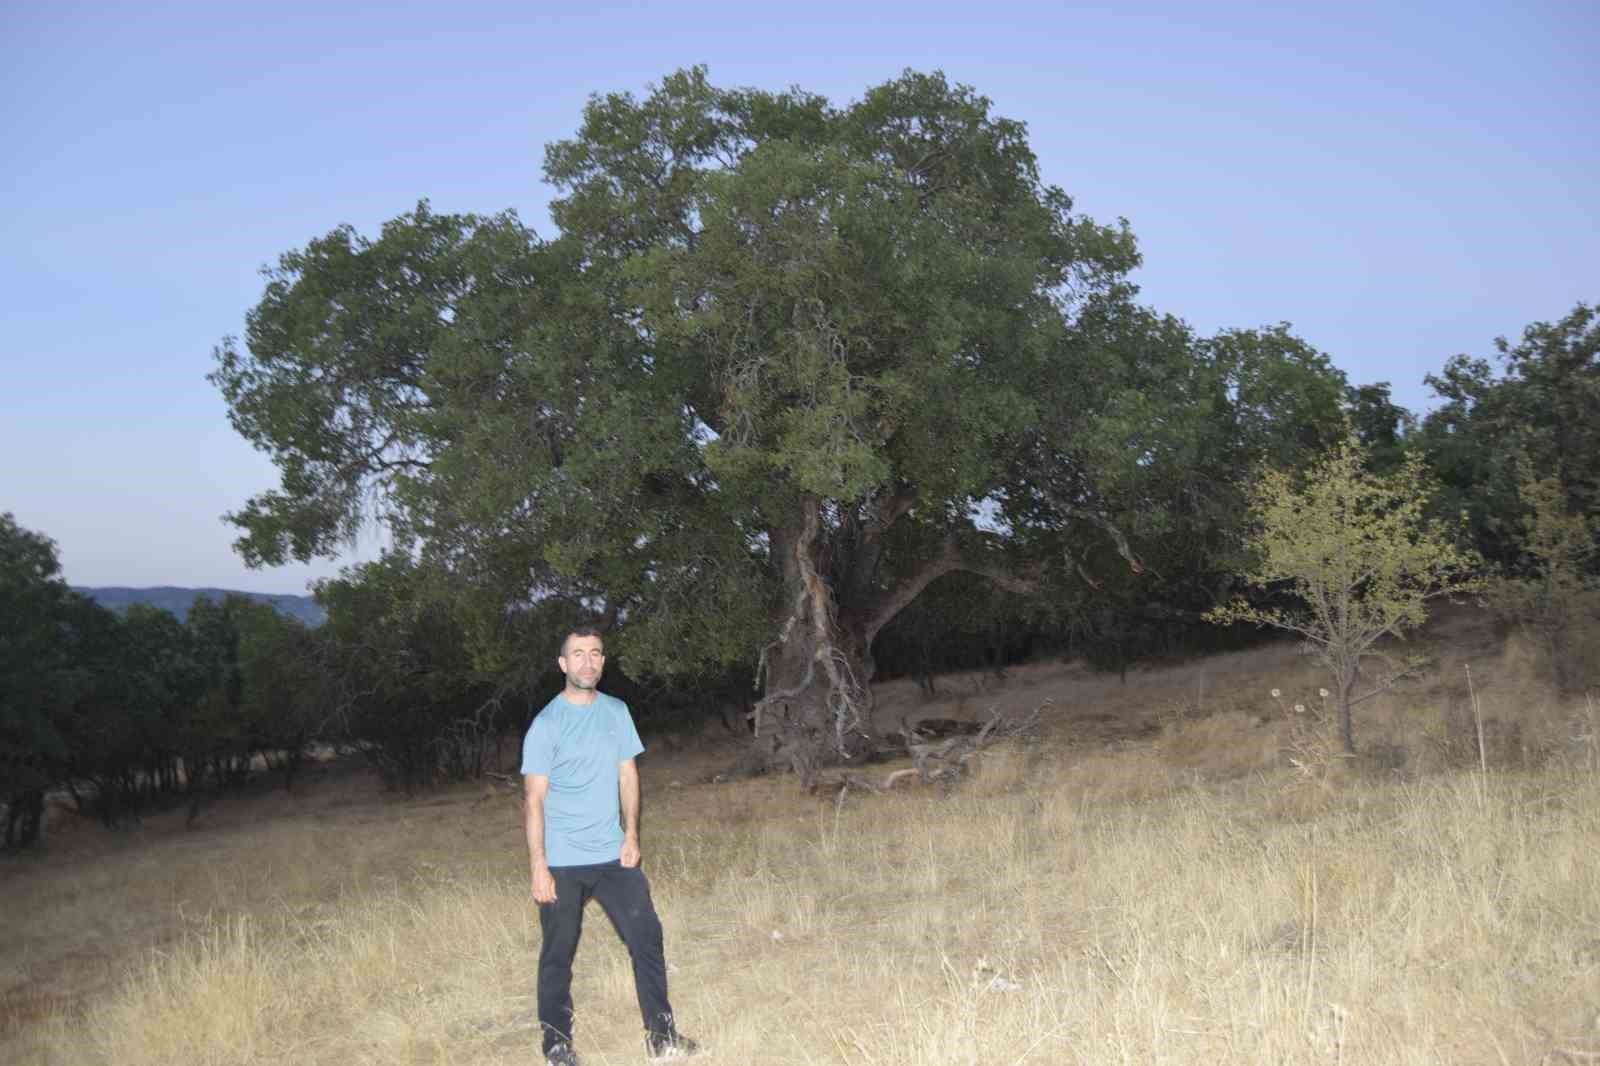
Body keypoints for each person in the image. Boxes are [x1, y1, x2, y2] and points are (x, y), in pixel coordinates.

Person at [522, 625, 698, 1065]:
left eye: (595, 653)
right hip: (562, 860)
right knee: (558, 954)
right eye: (577, 654)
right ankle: (557, 1046)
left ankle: (663, 1037)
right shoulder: (546, 724)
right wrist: (539, 866)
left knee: (646, 937)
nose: (587, 661)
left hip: (612, 854)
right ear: (563, 664)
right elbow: (534, 798)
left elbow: (628, 776)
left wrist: (632, 835)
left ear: (602, 662)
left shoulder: (617, 711)